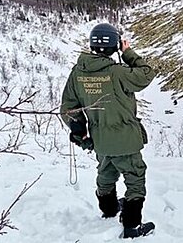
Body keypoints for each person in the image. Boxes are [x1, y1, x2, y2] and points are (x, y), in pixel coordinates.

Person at [60, 23, 156, 239]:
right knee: (135, 179)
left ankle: (109, 210)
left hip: (100, 139)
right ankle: (132, 227)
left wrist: (79, 131)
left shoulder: (78, 72)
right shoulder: (118, 72)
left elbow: (68, 108)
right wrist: (128, 52)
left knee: (106, 173)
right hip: (126, 140)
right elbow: (147, 74)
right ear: (114, 45)